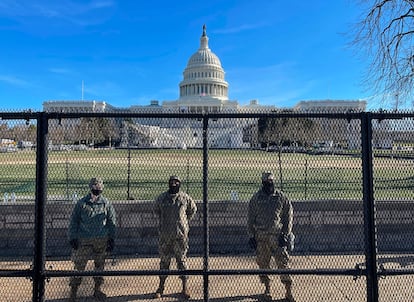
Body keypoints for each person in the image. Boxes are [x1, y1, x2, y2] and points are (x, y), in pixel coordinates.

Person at [247, 171, 295, 302]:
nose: (268, 185)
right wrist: (251, 235)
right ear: (262, 183)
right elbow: (250, 218)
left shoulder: (281, 197)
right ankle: (267, 289)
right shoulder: (256, 198)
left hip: (277, 237)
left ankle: (288, 292)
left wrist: (286, 233)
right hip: (261, 238)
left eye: (270, 182)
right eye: (265, 183)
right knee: (263, 264)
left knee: (283, 263)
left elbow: (288, 216)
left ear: (273, 182)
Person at [67, 177, 117, 302]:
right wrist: (72, 237)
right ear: (91, 188)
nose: (97, 189)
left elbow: (112, 221)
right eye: (95, 187)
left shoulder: (106, 203)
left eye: (99, 188)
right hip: (84, 239)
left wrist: (112, 238)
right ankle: (73, 293)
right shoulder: (82, 203)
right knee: (79, 266)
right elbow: (74, 221)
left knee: (99, 266)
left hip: (101, 240)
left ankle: (97, 290)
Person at [153, 175, 197, 299]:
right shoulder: (162, 198)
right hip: (165, 236)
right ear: (169, 183)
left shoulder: (185, 198)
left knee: (182, 261)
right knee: (164, 262)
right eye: (172, 182)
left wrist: (184, 222)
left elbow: (193, 210)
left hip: (180, 236)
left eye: (176, 182)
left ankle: (185, 287)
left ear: (180, 184)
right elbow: (156, 210)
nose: (174, 184)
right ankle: (161, 287)